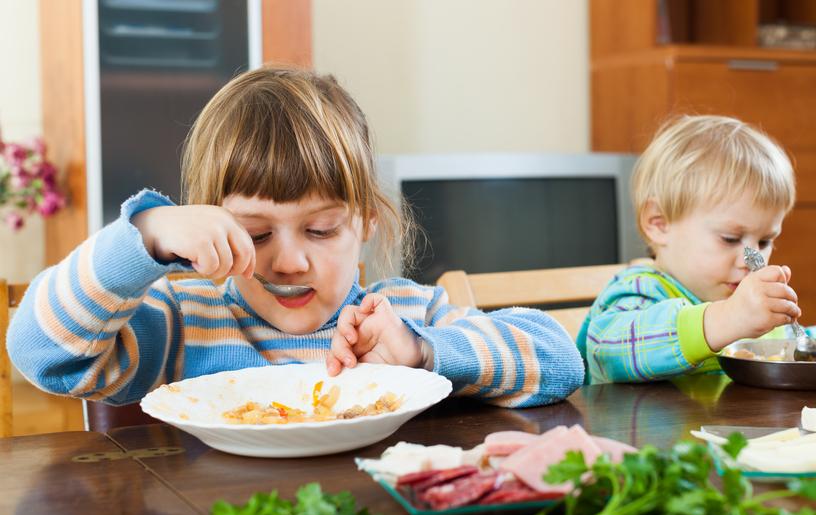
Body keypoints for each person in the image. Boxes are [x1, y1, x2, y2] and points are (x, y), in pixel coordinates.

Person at [8, 66, 584, 408]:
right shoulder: (181, 321)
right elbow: (40, 353)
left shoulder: (406, 314)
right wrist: (144, 236)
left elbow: (561, 360)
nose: (288, 262)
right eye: (255, 234)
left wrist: (424, 351)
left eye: (322, 229)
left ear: (365, 223)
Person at [578, 115, 800, 384]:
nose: (752, 261)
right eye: (730, 239)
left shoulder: (748, 304)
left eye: (765, 241)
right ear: (659, 224)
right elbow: (608, 352)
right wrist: (724, 320)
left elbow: (794, 347)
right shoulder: (640, 290)